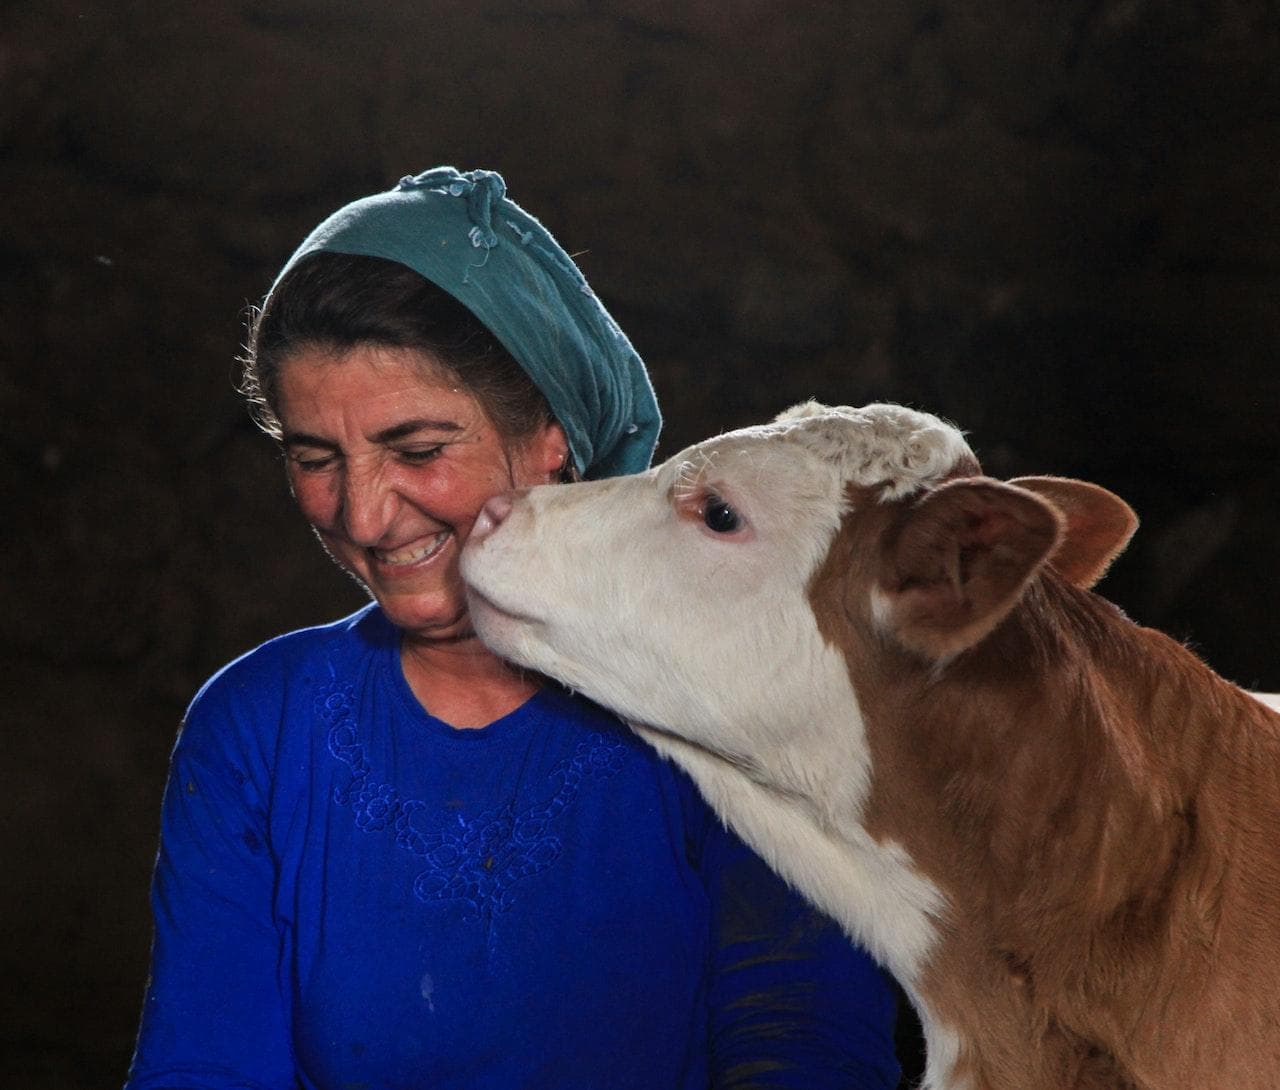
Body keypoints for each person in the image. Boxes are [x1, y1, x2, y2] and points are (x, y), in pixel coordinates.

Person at [124, 167, 902, 1089]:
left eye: (418, 451)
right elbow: (203, 1068)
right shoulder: (259, 731)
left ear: (548, 435)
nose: (366, 516)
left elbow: (805, 1042)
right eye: (315, 458)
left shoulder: (726, 709)